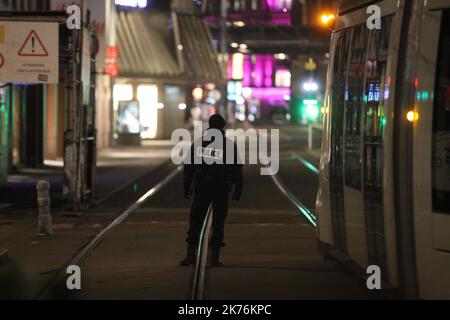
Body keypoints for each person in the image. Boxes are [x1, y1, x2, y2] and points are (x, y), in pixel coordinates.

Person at [180, 114, 243, 267]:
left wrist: (187, 187)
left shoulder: (199, 143)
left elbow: (189, 168)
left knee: (196, 220)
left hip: (202, 187)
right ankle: (215, 256)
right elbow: (236, 170)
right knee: (218, 222)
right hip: (221, 188)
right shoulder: (228, 145)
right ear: (223, 127)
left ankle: (191, 254)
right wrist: (238, 190)